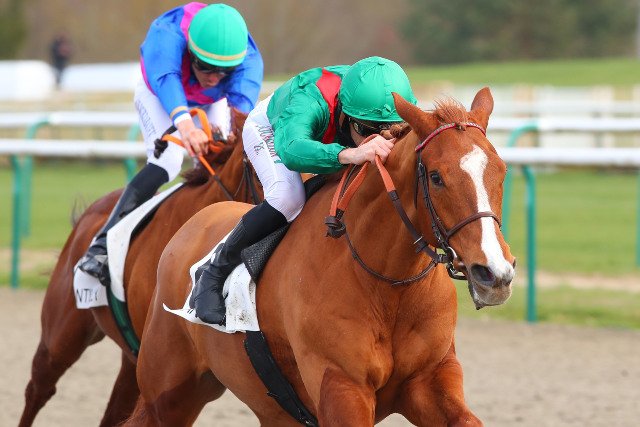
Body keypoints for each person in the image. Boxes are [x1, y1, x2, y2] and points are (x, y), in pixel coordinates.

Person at [189, 56, 417, 325]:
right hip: (276, 130)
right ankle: (213, 273)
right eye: (371, 130)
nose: (382, 137)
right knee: (287, 197)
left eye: (393, 129)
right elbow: (292, 150)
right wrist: (351, 153)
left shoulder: (381, 97)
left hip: (326, 133)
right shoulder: (309, 101)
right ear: (348, 116)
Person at [78, 3, 263, 285]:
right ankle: (101, 246)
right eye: (206, 67)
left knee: (226, 162)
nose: (214, 78)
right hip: (159, 92)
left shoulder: (249, 61)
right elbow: (167, 82)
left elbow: (240, 118)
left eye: (224, 71)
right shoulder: (166, 37)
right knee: (169, 160)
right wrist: (186, 127)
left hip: (211, 102)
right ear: (190, 52)